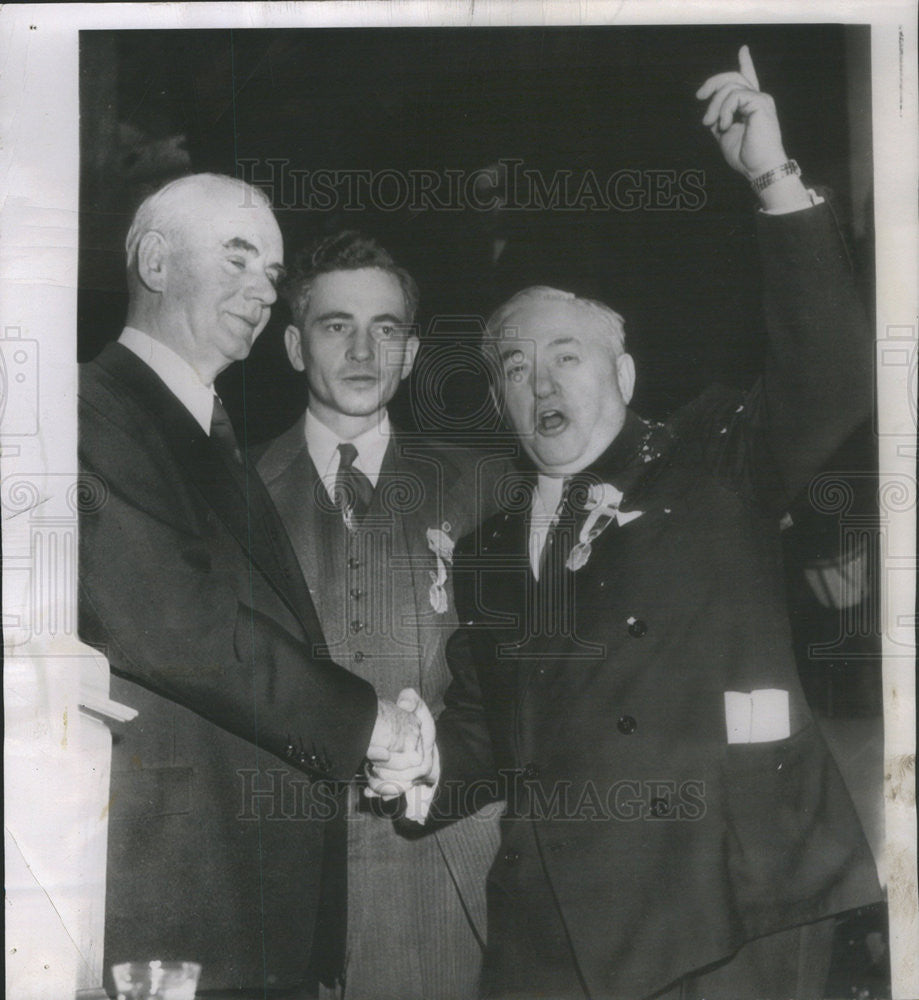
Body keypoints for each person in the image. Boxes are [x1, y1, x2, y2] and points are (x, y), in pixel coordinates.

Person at [369, 47, 883, 999]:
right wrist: (418, 767)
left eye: (568, 353)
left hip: (731, 905)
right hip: (552, 926)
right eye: (515, 368)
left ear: (625, 376)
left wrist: (770, 178)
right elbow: (491, 733)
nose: (543, 380)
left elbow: (834, 379)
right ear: (499, 400)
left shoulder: (713, 456)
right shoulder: (487, 551)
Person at [78, 174, 425, 997]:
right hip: (170, 894)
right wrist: (372, 724)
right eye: (236, 259)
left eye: (271, 274)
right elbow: (178, 627)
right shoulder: (90, 410)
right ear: (155, 262)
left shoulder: (199, 424)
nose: (261, 291)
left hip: (239, 899)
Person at [255, 231, 504, 1000]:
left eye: (385, 329)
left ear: (410, 350)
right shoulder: (236, 493)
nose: (362, 350)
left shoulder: (486, 487)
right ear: (295, 347)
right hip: (284, 877)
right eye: (336, 326)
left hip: (445, 864)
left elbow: (519, 693)